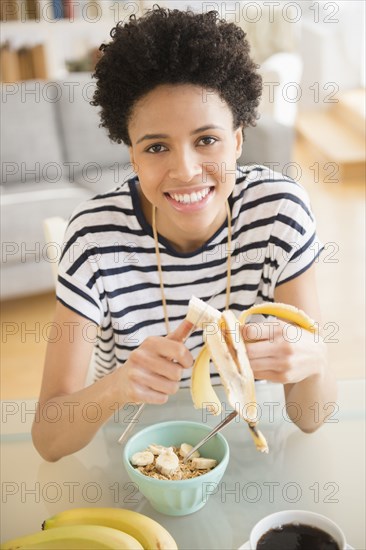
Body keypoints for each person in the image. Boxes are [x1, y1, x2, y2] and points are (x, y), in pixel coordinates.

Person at [32, 6, 337, 462]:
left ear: (237, 140)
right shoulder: (93, 240)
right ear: (132, 157)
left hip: (253, 450)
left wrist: (311, 360)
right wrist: (116, 386)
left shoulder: (279, 213)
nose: (186, 171)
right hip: (137, 456)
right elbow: (48, 440)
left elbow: (311, 418)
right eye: (157, 147)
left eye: (207, 140)